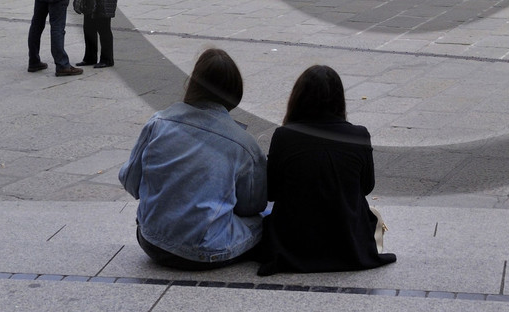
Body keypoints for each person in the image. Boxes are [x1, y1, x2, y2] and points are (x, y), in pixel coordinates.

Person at [119, 48, 266, 269]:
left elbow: (130, 182)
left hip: (151, 240)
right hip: (205, 251)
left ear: (194, 83)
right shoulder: (244, 144)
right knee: (266, 219)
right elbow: (252, 205)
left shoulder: (158, 123)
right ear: (235, 91)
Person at [257, 65, 397, 277]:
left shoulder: (284, 136)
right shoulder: (358, 135)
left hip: (295, 245)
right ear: (340, 100)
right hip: (347, 242)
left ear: (297, 99)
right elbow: (367, 187)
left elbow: (272, 192)